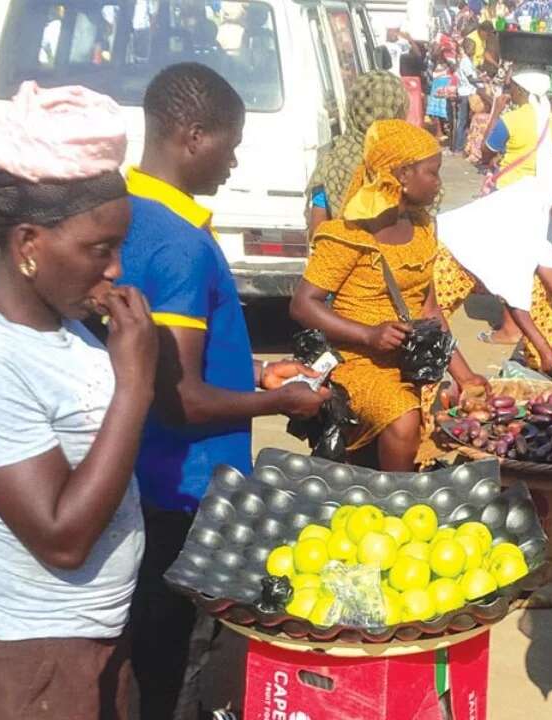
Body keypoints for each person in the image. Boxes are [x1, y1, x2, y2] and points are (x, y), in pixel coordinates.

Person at [119, 63, 328, 720]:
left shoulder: (125, 213)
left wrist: (255, 371)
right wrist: (278, 402)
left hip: (136, 485)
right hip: (184, 491)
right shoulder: (180, 244)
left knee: (140, 651)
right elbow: (178, 398)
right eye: (229, 143)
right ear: (191, 134)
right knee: (175, 667)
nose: (234, 159)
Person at [0, 82, 155, 720]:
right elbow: (61, 538)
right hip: (34, 660)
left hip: (93, 637)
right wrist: (136, 385)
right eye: (99, 250)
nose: (116, 271)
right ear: (28, 245)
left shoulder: (58, 321)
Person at [290, 120, 487, 471]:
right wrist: (368, 333)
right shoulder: (348, 235)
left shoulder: (424, 228)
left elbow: (430, 309)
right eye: (433, 173)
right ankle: (397, 508)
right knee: (404, 419)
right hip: (355, 363)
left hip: (407, 364)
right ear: (403, 175)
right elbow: (303, 304)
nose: (439, 182)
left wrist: (465, 375)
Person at [434, 152, 552, 374]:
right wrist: (543, 349)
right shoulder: (524, 211)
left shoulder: (543, 202)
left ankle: (541, 373)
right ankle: (417, 401)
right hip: (450, 258)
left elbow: (547, 266)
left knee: (541, 293)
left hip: (480, 263)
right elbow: (513, 298)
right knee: (428, 332)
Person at [308, 71, 411, 227]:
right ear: (399, 108)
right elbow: (427, 225)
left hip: (341, 250)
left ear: (353, 108)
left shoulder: (333, 161)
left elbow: (318, 227)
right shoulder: (411, 160)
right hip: (400, 250)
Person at [482, 70, 552, 192]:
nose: (509, 92)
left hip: (508, 187)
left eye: (510, 87)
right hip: (537, 187)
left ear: (520, 90)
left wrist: (496, 112)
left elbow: (486, 151)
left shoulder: (510, 119)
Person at [453, 38, 482, 153]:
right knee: (463, 121)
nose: (473, 50)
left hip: (466, 92)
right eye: (471, 48)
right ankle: (459, 146)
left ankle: (462, 145)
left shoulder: (467, 61)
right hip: (466, 94)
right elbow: (471, 79)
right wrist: (482, 79)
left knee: (465, 121)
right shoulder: (465, 61)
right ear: (465, 49)